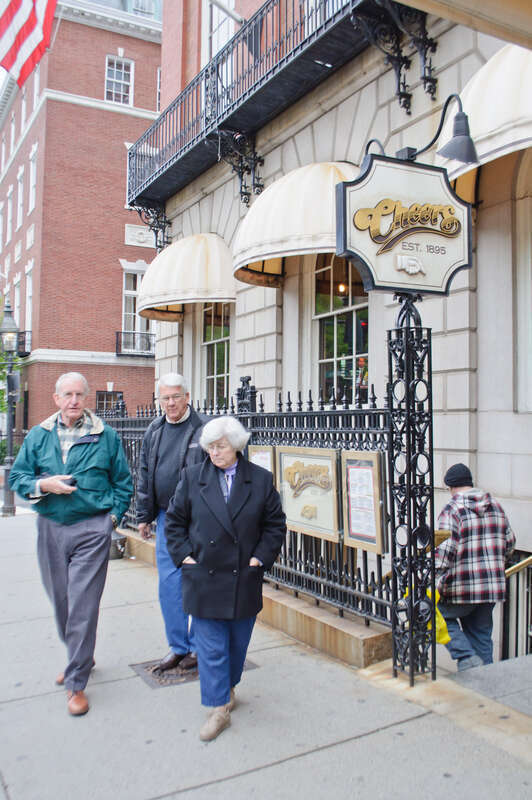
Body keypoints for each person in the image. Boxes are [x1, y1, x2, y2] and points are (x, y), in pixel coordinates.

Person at [9, 372, 133, 716]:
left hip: (91, 529)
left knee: (83, 604)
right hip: (50, 527)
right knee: (62, 601)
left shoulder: (105, 436)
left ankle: (76, 681)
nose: (74, 400)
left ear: (86, 397)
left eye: (79, 394)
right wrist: (44, 485)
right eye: (67, 394)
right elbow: (17, 478)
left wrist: (110, 520)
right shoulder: (38, 435)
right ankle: (82, 655)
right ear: (56, 398)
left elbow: (123, 483)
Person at [165, 416, 286, 741]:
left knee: (236, 644)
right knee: (211, 646)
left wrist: (259, 558)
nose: (214, 453)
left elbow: (275, 524)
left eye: (220, 447)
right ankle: (218, 708)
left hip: (243, 577)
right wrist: (185, 557)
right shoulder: (192, 478)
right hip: (203, 575)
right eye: (209, 448)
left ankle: (228, 686)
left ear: (236, 445)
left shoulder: (260, 480)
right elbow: (174, 523)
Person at [136, 373, 207, 673]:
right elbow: (144, 472)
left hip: (201, 520)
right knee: (169, 585)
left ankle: (200, 647)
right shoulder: (155, 429)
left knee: (202, 583)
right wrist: (143, 515)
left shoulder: (204, 429)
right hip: (167, 518)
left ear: (187, 397)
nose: (170, 403)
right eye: (164, 397)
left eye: (175, 396)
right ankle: (179, 647)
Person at [435, 463, 515, 671]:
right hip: (490, 589)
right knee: (481, 639)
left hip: (460, 589)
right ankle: (485, 690)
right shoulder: (495, 506)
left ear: (451, 487)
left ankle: (465, 656)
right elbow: (510, 543)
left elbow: (444, 555)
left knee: (432, 613)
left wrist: (431, 578)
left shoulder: (452, 510)